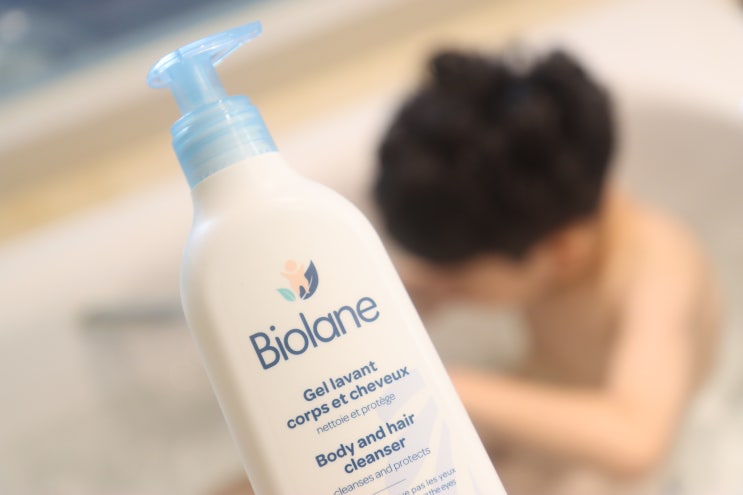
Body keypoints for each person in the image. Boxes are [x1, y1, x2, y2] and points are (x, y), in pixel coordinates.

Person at [374, 49, 720, 495]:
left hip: (613, 447)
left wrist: (450, 385)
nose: (441, 284)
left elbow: (638, 442)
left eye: (458, 278)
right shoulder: (539, 215)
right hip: (545, 394)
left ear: (562, 250)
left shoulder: (660, 274)